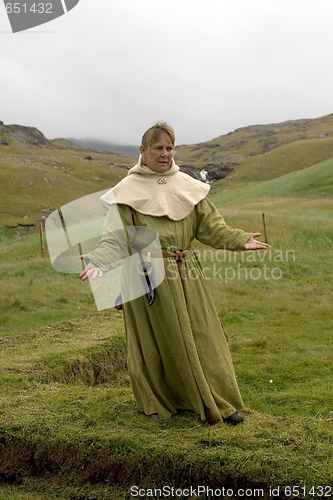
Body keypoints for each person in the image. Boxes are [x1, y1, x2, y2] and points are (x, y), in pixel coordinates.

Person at [80, 122, 268, 425]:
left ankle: (216, 400)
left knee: (203, 335)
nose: (165, 154)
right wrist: (98, 259)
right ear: (143, 151)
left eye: (169, 147)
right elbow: (116, 237)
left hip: (186, 271)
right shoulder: (127, 192)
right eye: (158, 148)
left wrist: (239, 239)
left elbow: (211, 227)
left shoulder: (187, 186)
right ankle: (159, 402)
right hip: (146, 274)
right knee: (155, 341)